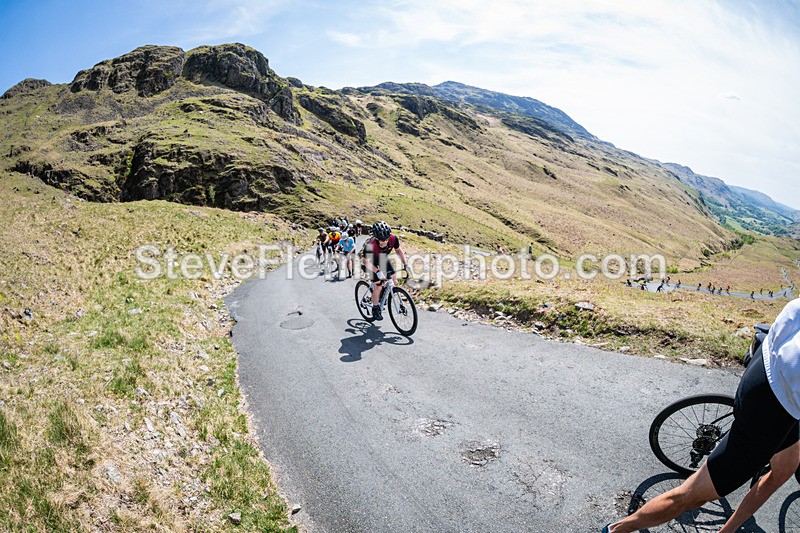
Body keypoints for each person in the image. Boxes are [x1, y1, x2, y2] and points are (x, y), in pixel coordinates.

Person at [602, 298, 800, 533]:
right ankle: (616, 530)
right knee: (692, 496)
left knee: (784, 469)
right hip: (773, 407)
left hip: (771, 357)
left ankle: (727, 531)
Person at [363, 221, 408, 320]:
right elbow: (365, 262)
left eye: (386, 239)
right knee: (378, 285)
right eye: (381, 240)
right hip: (370, 262)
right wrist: (378, 272)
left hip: (382, 258)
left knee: (394, 281)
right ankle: (375, 309)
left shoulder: (393, 239)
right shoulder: (371, 245)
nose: (384, 242)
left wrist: (405, 264)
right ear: (376, 238)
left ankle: (382, 294)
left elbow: (398, 250)